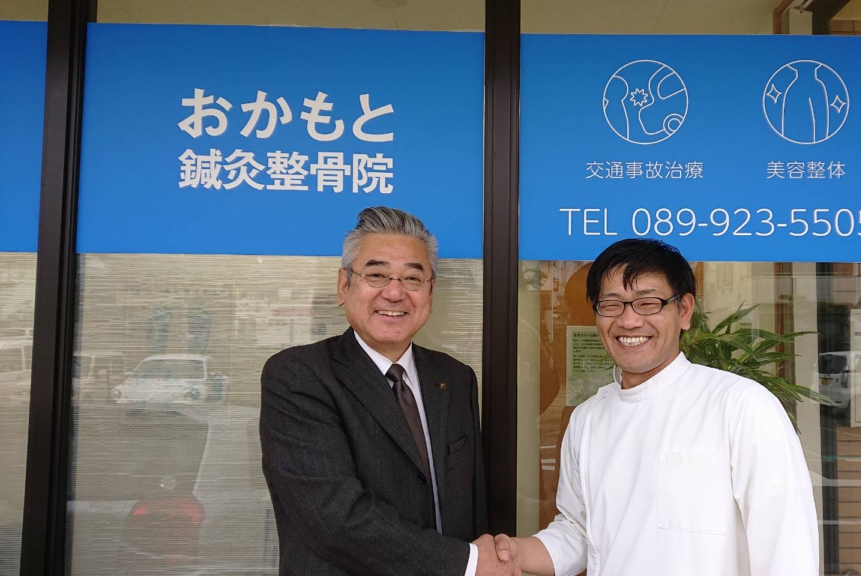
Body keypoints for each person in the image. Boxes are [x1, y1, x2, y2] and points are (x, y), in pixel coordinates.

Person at [493, 238, 819, 575]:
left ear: (684, 310)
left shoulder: (741, 405)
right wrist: (514, 554)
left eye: (648, 303)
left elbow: (787, 551)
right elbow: (579, 533)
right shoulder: (587, 419)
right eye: (611, 304)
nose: (629, 320)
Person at [260, 207, 517, 575]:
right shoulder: (299, 375)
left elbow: (471, 507)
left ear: (430, 292)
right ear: (343, 285)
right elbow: (334, 517)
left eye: (412, 278)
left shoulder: (455, 378)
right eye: (376, 275)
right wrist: (468, 563)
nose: (394, 293)